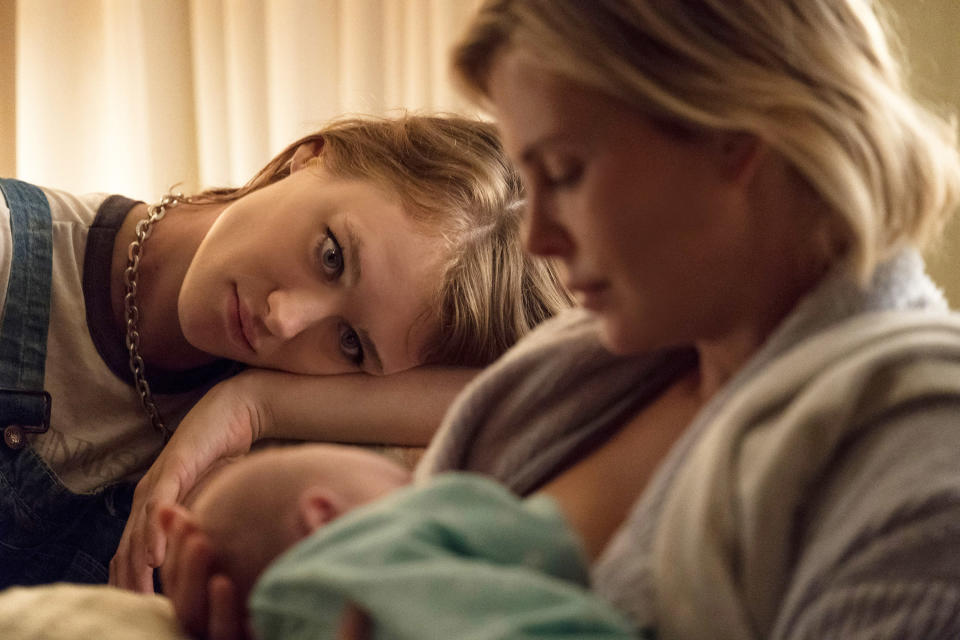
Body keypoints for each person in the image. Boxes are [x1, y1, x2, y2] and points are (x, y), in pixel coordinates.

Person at [164, 0, 960, 638]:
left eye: (565, 172)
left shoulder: (921, 446)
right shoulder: (564, 374)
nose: (539, 236)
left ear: (730, 136)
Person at [0, 113, 573, 589]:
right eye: (331, 256)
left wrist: (254, 404)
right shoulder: (11, 253)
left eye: (351, 343)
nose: (284, 318)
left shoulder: (307, 443)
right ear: (312, 156)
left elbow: (550, 392)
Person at [160, 443, 637, 640]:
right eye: (403, 482)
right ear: (323, 516)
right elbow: (547, 541)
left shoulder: (283, 621)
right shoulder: (400, 527)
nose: (420, 491)